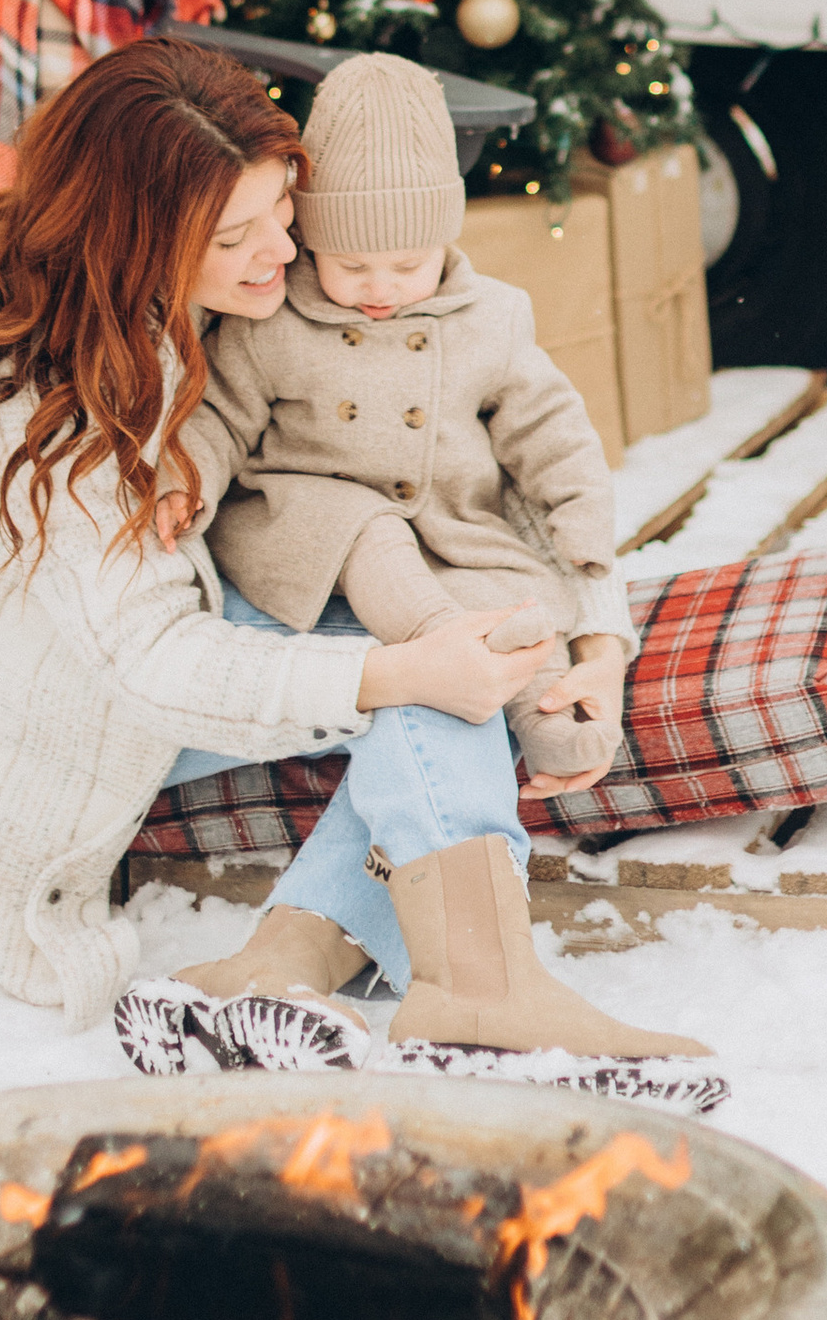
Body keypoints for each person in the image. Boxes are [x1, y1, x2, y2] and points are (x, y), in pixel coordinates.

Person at [0, 36, 713, 1089]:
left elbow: (539, 467)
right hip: (62, 719)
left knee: (451, 648)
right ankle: (481, 995)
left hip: (189, 619)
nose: (286, 251)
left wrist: (593, 632)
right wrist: (395, 672)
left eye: (283, 212)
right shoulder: (45, 405)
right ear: (137, 235)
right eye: (239, 234)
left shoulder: (197, 313)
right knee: (431, 675)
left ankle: (281, 967)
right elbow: (148, 666)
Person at [183, 52, 631, 796]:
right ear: (313, 239)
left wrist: (581, 520)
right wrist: (185, 486)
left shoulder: (491, 316)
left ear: (446, 241)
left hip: (449, 528)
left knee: (509, 591)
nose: (381, 288)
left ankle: (553, 716)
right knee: (369, 529)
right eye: (351, 265)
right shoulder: (273, 320)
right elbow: (217, 418)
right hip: (307, 525)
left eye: (407, 264)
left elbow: (550, 428)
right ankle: (443, 647)